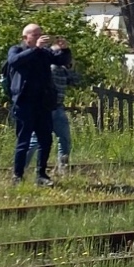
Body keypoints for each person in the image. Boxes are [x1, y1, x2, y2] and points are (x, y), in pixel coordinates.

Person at [4, 23, 70, 186]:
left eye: (40, 34)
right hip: (24, 103)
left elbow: (61, 60)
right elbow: (14, 61)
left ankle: (41, 174)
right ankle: (17, 175)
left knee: (46, 140)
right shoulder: (17, 50)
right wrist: (35, 49)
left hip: (43, 103)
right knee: (23, 140)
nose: (39, 38)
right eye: (35, 35)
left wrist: (65, 49)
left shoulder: (44, 53)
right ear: (25, 37)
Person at [46, 35, 77, 172]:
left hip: (58, 107)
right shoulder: (52, 68)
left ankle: (62, 167)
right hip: (47, 108)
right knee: (38, 141)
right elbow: (75, 79)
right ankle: (21, 168)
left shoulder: (62, 69)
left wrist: (69, 66)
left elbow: (75, 80)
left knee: (64, 139)